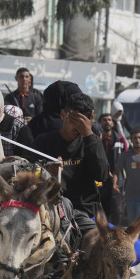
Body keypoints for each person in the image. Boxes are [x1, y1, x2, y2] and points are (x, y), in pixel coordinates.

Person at [33, 92, 110, 234]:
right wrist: (48, 172)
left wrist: (89, 134)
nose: (78, 127)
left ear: (91, 118)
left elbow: (102, 175)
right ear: (63, 115)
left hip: (83, 213)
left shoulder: (92, 142)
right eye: (74, 120)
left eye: (83, 121)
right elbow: (32, 176)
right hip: (50, 210)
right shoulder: (43, 141)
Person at [113, 129, 140, 240]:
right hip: (130, 195)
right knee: (132, 223)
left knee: (139, 222)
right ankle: (135, 246)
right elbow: (117, 172)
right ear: (131, 140)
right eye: (135, 138)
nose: (137, 140)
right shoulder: (125, 156)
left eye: (139, 137)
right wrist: (114, 184)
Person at [98, 113, 124, 224]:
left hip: (116, 179)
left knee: (117, 210)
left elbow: (126, 157)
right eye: (104, 120)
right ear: (100, 123)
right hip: (99, 180)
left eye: (109, 120)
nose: (107, 122)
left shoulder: (119, 139)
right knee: (100, 208)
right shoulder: (95, 139)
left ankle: (116, 232)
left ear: (113, 123)